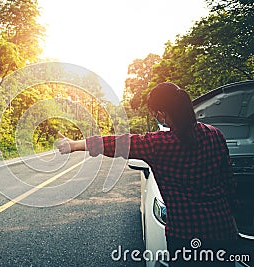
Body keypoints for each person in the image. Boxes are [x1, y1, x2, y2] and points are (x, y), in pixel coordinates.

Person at [57, 82, 239, 267]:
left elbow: (117, 144)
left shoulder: (158, 144)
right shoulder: (216, 135)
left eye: (154, 113)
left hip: (185, 237)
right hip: (223, 231)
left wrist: (75, 145)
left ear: (162, 113)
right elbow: (230, 184)